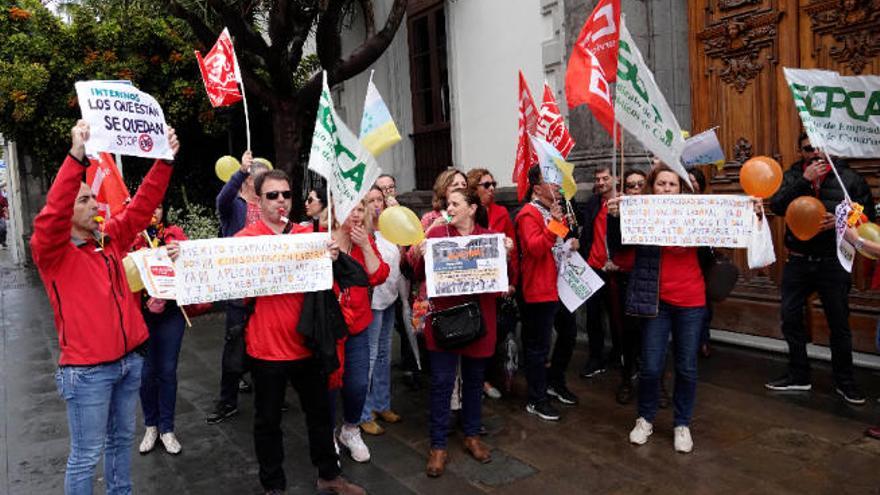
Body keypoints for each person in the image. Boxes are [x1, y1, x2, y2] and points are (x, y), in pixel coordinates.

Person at [31, 120, 177, 493]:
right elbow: (52, 211)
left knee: (119, 444)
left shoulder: (109, 238)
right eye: (84, 200)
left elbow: (142, 207)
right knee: (85, 455)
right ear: (67, 209)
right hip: (87, 374)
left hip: (128, 363)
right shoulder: (52, 251)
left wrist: (164, 161)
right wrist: (76, 156)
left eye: (93, 198)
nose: (95, 203)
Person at [238, 169, 364, 495]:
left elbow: (342, 275)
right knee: (267, 422)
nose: (281, 200)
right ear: (258, 199)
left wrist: (332, 257)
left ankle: (329, 475)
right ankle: (274, 486)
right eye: (272, 195)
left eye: (286, 194)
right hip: (265, 348)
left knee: (321, 416)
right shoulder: (243, 241)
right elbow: (233, 291)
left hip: (308, 343)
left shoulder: (307, 234)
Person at [608, 164, 714, 454]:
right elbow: (617, 248)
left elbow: (722, 238)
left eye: (672, 185)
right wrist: (614, 218)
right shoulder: (640, 213)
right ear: (651, 187)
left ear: (681, 189)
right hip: (657, 301)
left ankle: (682, 423)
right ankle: (645, 419)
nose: (667, 189)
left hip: (691, 301)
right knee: (652, 367)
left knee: (687, 367)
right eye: (661, 184)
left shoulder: (697, 213)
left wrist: (750, 214)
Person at [765, 133, 876, 404]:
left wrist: (839, 221)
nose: (815, 154)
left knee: (839, 323)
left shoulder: (848, 178)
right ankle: (798, 374)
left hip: (832, 262)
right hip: (798, 260)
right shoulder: (793, 175)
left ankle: (845, 381)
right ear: (800, 151)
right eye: (807, 150)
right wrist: (803, 181)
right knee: (790, 317)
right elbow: (777, 205)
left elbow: (867, 215)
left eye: (820, 149)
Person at [411, 188, 509, 477]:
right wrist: (418, 255)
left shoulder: (489, 238)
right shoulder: (437, 235)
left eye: (455, 204)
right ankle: (438, 445)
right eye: (447, 204)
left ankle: (471, 436)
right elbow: (417, 273)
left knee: (475, 381)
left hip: (480, 321)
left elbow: (506, 279)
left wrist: (507, 255)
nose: (449, 209)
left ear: (472, 208)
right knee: (442, 383)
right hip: (446, 321)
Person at [208, 150, 270, 424]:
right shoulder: (233, 206)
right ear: (248, 181)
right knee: (234, 347)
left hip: (266, 291)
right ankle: (227, 400)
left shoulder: (268, 208)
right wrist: (240, 172)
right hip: (239, 293)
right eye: (259, 179)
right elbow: (222, 198)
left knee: (267, 346)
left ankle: (270, 396)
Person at [515, 165, 580, 422]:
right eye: (550, 180)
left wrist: (571, 242)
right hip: (539, 287)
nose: (556, 185)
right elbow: (535, 248)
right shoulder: (527, 214)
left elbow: (558, 242)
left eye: (557, 180)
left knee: (568, 333)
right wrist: (554, 224)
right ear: (537, 187)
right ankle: (536, 398)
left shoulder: (553, 211)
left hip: (559, 285)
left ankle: (554, 382)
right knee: (538, 347)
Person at [330, 197, 390, 462]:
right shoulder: (319, 237)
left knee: (357, 384)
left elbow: (378, 275)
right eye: (349, 208)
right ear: (334, 210)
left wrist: (365, 245)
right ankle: (328, 434)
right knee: (329, 385)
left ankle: (351, 429)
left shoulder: (364, 240)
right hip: (328, 328)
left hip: (357, 325)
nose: (355, 214)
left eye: (359, 209)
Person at [133, 205, 188, 456]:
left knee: (167, 370)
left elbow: (191, 264)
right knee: (146, 373)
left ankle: (167, 428)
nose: (153, 210)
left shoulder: (174, 234)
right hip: (142, 314)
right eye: (149, 205)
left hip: (172, 314)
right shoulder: (132, 237)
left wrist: (182, 254)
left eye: (158, 206)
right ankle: (151, 425)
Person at [467, 168, 516, 400]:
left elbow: (512, 250)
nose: (492, 189)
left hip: (497, 286)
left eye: (493, 183)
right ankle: (478, 381)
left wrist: (512, 281)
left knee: (494, 334)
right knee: (475, 333)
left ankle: (490, 377)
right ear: (474, 189)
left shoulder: (502, 212)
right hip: (473, 286)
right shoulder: (468, 214)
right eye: (486, 185)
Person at [359, 186, 403, 436]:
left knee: (385, 354)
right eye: (371, 200)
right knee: (370, 356)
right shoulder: (363, 232)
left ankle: (381, 403)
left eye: (380, 200)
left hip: (390, 297)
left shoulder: (390, 228)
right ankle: (364, 412)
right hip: (372, 301)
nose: (377, 204)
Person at [607, 169, 647, 405]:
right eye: (631, 186)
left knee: (652, 336)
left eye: (641, 184)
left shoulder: (658, 211)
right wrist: (615, 219)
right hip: (627, 279)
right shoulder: (616, 212)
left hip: (651, 281)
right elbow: (616, 248)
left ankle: (656, 384)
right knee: (628, 335)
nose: (636, 189)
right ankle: (626, 379)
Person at [579, 165, 619, 378]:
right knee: (592, 317)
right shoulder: (594, 202)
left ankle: (619, 354)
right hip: (594, 269)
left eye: (605, 178)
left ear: (616, 178)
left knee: (617, 317)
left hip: (615, 270)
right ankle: (595, 358)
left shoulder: (623, 202)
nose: (601, 182)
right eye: (598, 179)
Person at [687, 168, 715, 359]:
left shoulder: (709, 204)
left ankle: (703, 339)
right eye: (688, 180)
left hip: (704, 258)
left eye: (695, 180)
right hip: (687, 259)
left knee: (705, 302)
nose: (692, 184)